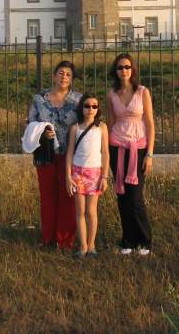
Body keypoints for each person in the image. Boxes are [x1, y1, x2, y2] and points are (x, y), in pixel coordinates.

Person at [25, 61, 81, 249]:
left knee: (68, 197)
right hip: (46, 154)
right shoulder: (40, 99)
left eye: (68, 74)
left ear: (72, 79)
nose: (64, 77)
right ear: (54, 75)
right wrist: (42, 132)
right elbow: (30, 123)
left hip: (70, 156)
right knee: (47, 197)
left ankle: (65, 241)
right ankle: (48, 239)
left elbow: (86, 124)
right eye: (61, 73)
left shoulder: (78, 101)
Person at [107, 53, 155, 255]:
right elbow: (109, 123)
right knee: (122, 195)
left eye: (127, 67)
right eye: (120, 68)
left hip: (139, 147)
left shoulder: (142, 92)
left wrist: (150, 154)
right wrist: (104, 151)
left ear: (132, 69)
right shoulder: (111, 94)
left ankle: (144, 240)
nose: (123, 71)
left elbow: (150, 124)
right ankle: (127, 240)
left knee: (135, 197)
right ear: (115, 71)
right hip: (116, 146)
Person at [65, 94, 109, 258]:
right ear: (81, 108)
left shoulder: (102, 127)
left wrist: (104, 177)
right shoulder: (75, 128)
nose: (90, 109)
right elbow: (69, 153)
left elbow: (105, 153)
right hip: (77, 172)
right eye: (87, 106)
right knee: (80, 211)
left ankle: (92, 245)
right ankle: (82, 246)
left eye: (94, 106)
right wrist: (68, 177)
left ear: (98, 109)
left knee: (91, 211)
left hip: (95, 173)